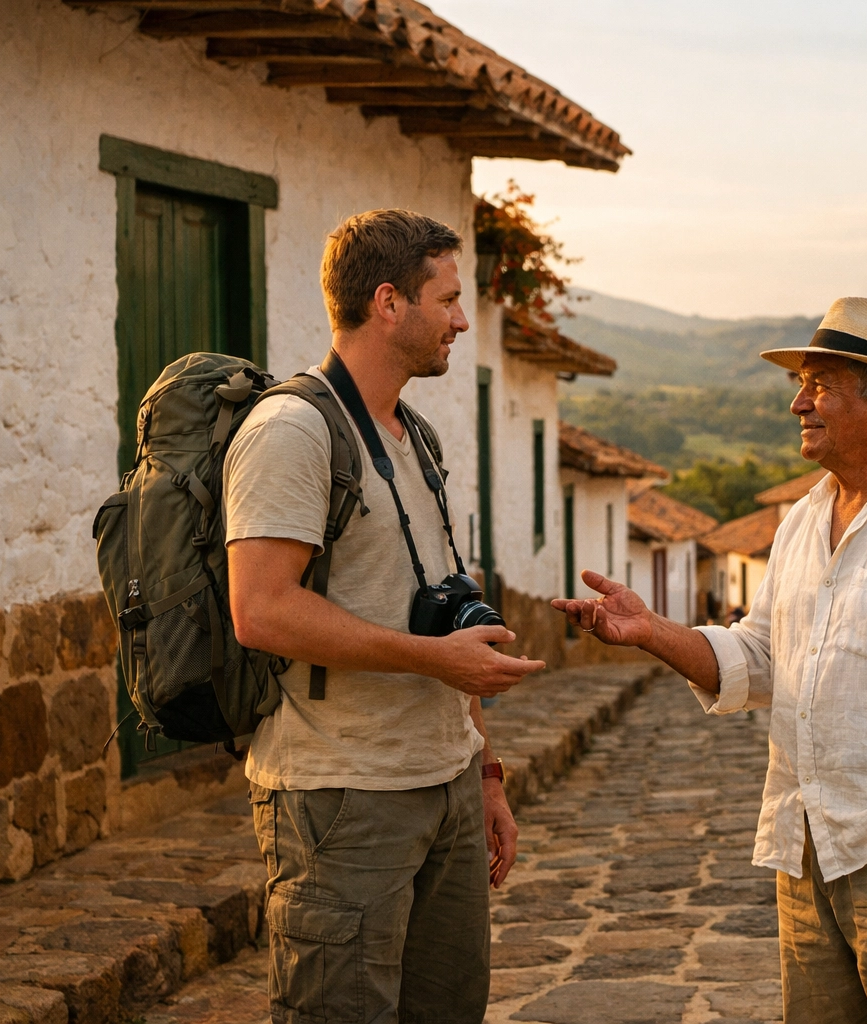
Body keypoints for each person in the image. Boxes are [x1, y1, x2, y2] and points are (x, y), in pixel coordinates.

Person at [553, 297, 867, 1024]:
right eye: (802, 386)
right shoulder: (803, 520)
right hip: (805, 846)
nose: (798, 404)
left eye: (820, 386)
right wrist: (651, 631)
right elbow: (762, 657)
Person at [225, 209, 544, 1024]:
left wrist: (485, 771)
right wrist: (434, 661)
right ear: (389, 302)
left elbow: (448, 619)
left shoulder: (415, 436)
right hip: (342, 798)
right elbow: (261, 610)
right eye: (449, 300)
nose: (462, 322)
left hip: (444, 785)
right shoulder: (292, 432)